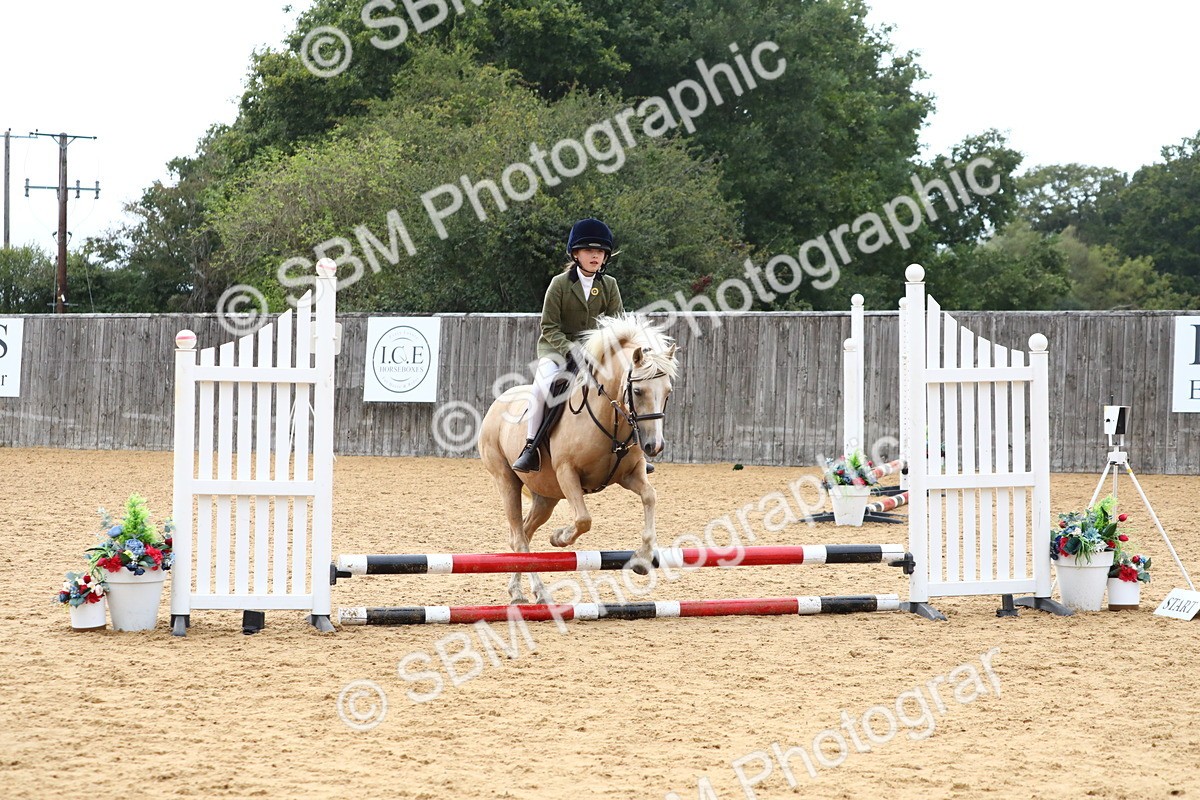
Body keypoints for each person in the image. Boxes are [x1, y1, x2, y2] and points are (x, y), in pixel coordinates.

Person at [511, 218, 635, 473]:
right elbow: (549, 326)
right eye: (589, 251)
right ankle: (531, 446)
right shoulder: (559, 284)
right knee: (541, 388)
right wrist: (572, 350)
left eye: (600, 252)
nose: (595, 256)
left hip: (596, 353)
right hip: (557, 350)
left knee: (628, 386)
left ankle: (635, 449)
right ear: (576, 254)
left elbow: (617, 324)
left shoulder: (609, 285)